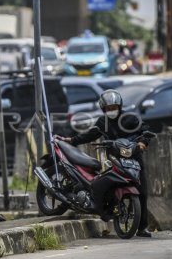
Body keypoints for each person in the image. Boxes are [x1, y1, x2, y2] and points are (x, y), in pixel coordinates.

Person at [60, 89, 152, 238]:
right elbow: (90, 135)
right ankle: (104, 209)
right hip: (114, 159)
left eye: (114, 108)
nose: (112, 111)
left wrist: (142, 143)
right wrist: (71, 140)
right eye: (108, 109)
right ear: (104, 109)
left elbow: (145, 130)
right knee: (106, 185)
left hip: (134, 159)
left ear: (119, 107)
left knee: (142, 192)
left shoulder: (130, 118)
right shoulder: (102, 122)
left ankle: (142, 228)